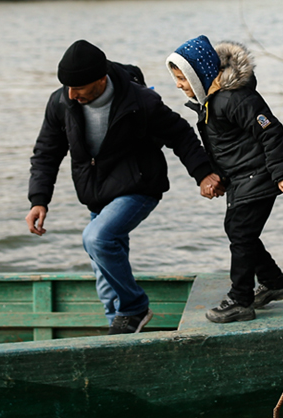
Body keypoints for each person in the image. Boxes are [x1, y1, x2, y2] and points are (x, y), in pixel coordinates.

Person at [26, 40, 221, 335]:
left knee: (97, 238)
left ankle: (134, 306)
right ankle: (119, 335)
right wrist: (39, 200)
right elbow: (47, 151)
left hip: (139, 186)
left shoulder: (140, 101)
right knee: (102, 265)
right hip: (96, 194)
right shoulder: (61, 103)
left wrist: (204, 173)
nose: (71, 93)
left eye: (78, 87)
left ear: (100, 79)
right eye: (67, 86)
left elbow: (180, 134)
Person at [166, 36, 283, 323]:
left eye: (182, 78)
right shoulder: (210, 102)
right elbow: (227, 147)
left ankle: (240, 299)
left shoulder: (234, 98)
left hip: (260, 176)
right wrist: (221, 177)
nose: (178, 85)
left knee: (240, 232)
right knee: (239, 231)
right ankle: (274, 282)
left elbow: (271, 131)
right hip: (242, 178)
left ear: (199, 75)